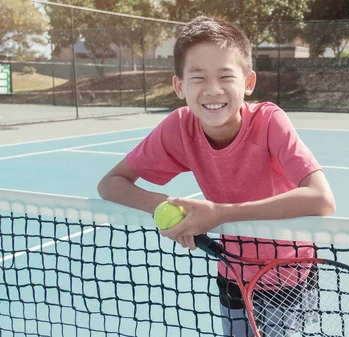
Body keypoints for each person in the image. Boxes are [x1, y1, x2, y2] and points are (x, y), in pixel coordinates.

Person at [97, 15, 336, 337]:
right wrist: (172, 209)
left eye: (225, 76)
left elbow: (321, 199)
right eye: (198, 78)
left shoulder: (269, 122)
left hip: (287, 273)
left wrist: (221, 214)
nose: (212, 90)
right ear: (180, 86)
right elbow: (111, 184)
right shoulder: (179, 127)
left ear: (248, 82)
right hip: (232, 269)